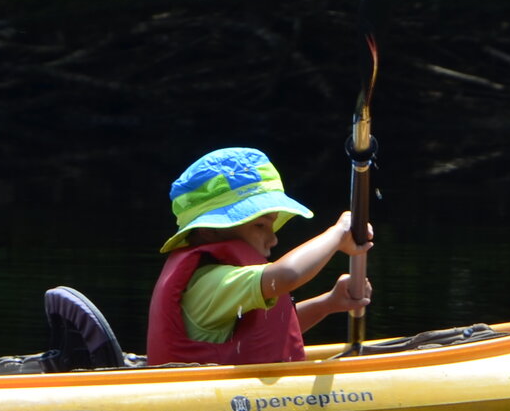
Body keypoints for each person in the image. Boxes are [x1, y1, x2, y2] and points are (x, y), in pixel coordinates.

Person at [146, 147, 369, 366]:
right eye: (260, 225)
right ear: (209, 230)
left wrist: (327, 304)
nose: (273, 239)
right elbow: (286, 275)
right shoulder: (212, 283)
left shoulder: (219, 282)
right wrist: (338, 233)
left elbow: (273, 331)